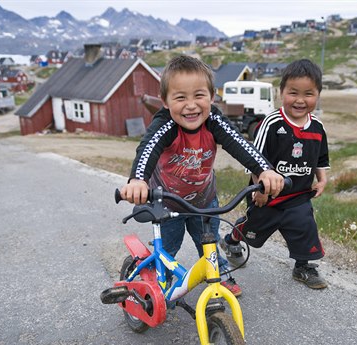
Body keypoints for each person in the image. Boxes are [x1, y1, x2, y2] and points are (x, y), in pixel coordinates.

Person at [120, 55, 285, 297]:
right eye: (180, 97)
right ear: (165, 101)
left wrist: (264, 169)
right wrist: (137, 180)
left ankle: (219, 274)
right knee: (168, 251)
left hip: (204, 201)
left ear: (212, 97)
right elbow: (148, 148)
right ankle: (158, 283)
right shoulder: (165, 124)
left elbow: (239, 144)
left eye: (199, 95)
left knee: (208, 244)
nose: (191, 105)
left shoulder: (214, 120)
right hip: (166, 204)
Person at [219, 59, 330, 289]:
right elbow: (254, 159)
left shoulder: (318, 128)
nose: (300, 100)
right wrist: (259, 190)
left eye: (308, 94)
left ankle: (303, 266)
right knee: (252, 227)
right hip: (267, 196)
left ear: (318, 94)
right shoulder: (271, 123)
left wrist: (322, 179)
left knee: (305, 227)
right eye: (293, 93)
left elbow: (321, 157)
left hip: (299, 196)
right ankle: (231, 240)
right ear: (281, 93)